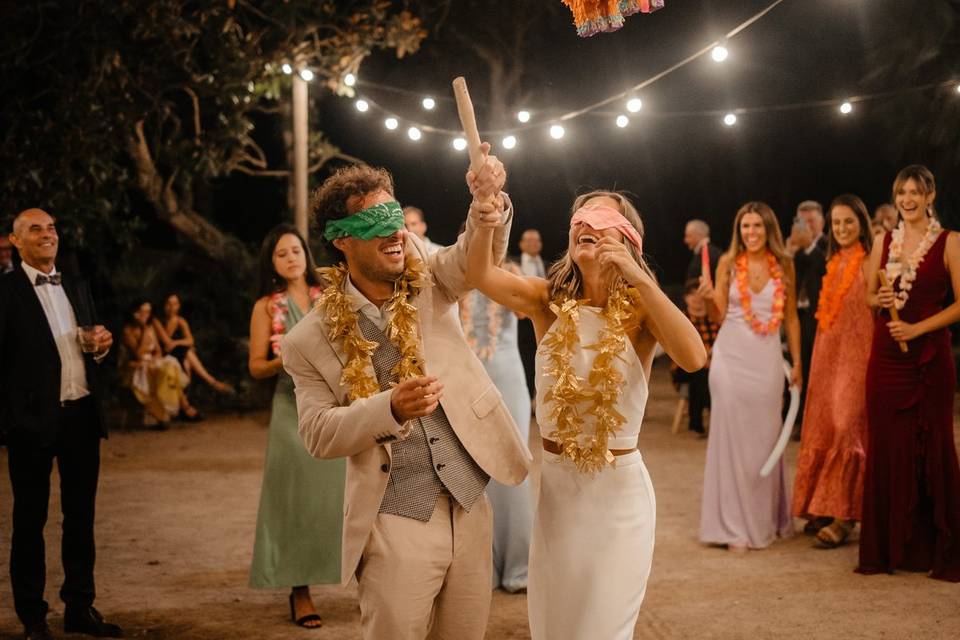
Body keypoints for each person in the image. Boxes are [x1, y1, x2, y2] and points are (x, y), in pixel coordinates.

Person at [282, 149, 531, 640]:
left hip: (469, 500)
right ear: (341, 240)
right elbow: (317, 434)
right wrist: (388, 407)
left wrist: (487, 203)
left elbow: (473, 259)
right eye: (375, 222)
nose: (395, 232)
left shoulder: (424, 271)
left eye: (395, 216)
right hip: (395, 518)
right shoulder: (306, 340)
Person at [466, 190, 706, 640]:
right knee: (556, 629)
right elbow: (478, 273)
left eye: (599, 216)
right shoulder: (545, 301)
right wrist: (484, 213)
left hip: (619, 496)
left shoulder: (641, 313)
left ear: (628, 237)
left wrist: (640, 278)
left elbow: (693, 358)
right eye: (578, 217)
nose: (584, 223)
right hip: (559, 495)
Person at [0, 208, 122, 640]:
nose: (47, 234)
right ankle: (33, 617)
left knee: (81, 517)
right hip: (31, 424)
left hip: (81, 416)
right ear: (16, 241)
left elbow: (97, 342)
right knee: (29, 521)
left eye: (52, 227)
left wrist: (104, 347)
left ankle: (79, 606)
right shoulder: (6, 292)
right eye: (36, 229)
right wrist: (11, 421)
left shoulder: (75, 283)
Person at [858, 165, 960, 582]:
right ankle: (887, 549)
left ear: (931, 195)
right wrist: (879, 297)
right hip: (886, 358)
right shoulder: (883, 241)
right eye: (902, 192)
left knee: (935, 445)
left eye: (916, 191)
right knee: (886, 446)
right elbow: (868, 297)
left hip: (930, 359)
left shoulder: (951, 242)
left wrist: (918, 328)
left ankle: (941, 549)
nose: (908, 199)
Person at [248, 224, 345, 627]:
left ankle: (356, 576)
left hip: (335, 407)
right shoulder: (266, 308)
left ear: (307, 255)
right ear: (272, 264)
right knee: (294, 502)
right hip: (291, 411)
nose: (291, 258)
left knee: (338, 498)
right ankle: (300, 590)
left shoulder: (332, 298)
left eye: (296, 251)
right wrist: (285, 356)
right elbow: (255, 366)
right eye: (281, 254)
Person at [699, 201, 801, 552]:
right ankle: (732, 525)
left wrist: (798, 362)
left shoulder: (784, 265)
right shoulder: (728, 262)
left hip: (767, 361)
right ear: (738, 231)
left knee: (763, 439)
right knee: (729, 438)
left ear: (768, 229)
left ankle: (764, 519)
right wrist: (709, 296)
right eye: (745, 227)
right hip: (729, 357)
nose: (751, 233)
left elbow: (790, 319)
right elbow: (717, 315)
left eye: (757, 226)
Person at [791, 195, 874, 547]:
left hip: (858, 356)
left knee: (846, 427)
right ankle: (823, 506)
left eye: (848, 223)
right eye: (837, 223)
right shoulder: (834, 260)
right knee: (823, 425)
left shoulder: (870, 262)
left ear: (862, 225)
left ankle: (845, 516)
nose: (841, 229)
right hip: (827, 356)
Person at [459, 263, 533, 593]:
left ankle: (519, 565)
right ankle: (482, 567)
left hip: (507, 373)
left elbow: (524, 312)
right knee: (475, 467)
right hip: (470, 375)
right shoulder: (456, 273)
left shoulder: (510, 272)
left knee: (514, 464)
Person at [786, 200, 827, 438]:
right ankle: (795, 417)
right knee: (795, 367)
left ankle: (811, 422)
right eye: (802, 222)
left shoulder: (825, 245)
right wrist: (790, 252)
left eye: (811, 221)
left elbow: (823, 266)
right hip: (795, 316)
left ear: (821, 221)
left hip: (817, 316)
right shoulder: (794, 249)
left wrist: (809, 244)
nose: (807, 226)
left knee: (813, 369)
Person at [120, 299, 195, 429]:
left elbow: (159, 351)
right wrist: (144, 330)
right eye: (143, 312)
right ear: (135, 313)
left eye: (148, 312)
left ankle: (163, 412)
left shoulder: (152, 325)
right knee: (155, 371)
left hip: (152, 361)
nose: (146, 315)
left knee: (170, 367)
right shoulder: (128, 330)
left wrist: (155, 357)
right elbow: (138, 354)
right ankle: (175, 409)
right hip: (137, 364)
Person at [152, 293, 234, 394]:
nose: (172, 308)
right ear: (163, 305)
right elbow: (166, 342)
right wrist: (181, 343)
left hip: (179, 353)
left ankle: (189, 396)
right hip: (163, 354)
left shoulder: (180, 321)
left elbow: (190, 340)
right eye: (168, 304)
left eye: (175, 304)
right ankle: (212, 382)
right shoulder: (157, 321)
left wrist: (177, 342)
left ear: (179, 305)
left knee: (187, 360)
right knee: (187, 354)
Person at [678, 278, 719, 435]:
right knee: (699, 373)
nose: (696, 299)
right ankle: (701, 419)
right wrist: (703, 359)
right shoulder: (681, 317)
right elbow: (681, 347)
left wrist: (709, 358)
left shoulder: (713, 318)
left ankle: (700, 421)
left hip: (714, 364)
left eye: (699, 295)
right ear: (685, 298)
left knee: (705, 375)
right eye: (692, 295)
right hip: (685, 365)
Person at [517, 228, 545, 400]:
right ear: (521, 244)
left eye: (536, 241)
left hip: (546, 322)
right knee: (525, 363)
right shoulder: (513, 264)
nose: (532, 244)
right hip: (522, 323)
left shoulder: (550, 265)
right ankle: (527, 400)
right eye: (528, 240)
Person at [683, 219, 722, 285]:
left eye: (688, 236)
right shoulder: (715, 252)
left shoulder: (709, 254)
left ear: (698, 235)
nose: (685, 240)